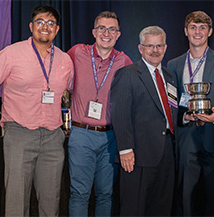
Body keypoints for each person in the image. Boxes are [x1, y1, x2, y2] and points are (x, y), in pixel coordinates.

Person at [0, 4, 73, 216]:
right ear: (31, 26)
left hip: (52, 137)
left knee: (51, 201)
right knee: (16, 200)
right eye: (40, 22)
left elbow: (70, 94)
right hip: (19, 133)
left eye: (51, 23)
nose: (45, 26)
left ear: (57, 29)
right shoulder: (11, 54)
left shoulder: (66, 61)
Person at [167, 11, 214, 216]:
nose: (198, 32)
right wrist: (184, 117)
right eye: (193, 27)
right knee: (185, 195)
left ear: (210, 31)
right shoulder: (173, 64)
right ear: (186, 31)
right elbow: (171, 102)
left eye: (202, 27)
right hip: (187, 137)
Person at [67, 11, 132, 217]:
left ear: (118, 34)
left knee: (106, 194)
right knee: (79, 194)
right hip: (81, 134)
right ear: (94, 32)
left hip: (110, 137)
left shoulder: (124, 61)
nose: (107, 33)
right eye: (102, 28)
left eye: (112, 29)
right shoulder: (77, 52)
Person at [110, 26, 178, 216]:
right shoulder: (127, 74)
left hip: (167, 152)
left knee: (162, 206)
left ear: (165, 48)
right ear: (141, 48)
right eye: (150, 46)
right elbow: (120, 114)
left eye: (159, 46)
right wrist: (125, 149)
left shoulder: (170, 77)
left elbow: (169, 109)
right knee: (134, 209)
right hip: (137, 154)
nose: (155, 50)